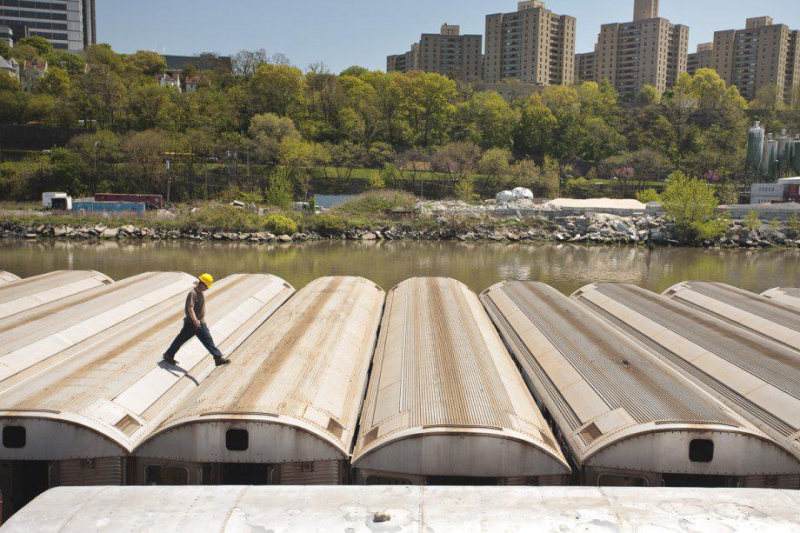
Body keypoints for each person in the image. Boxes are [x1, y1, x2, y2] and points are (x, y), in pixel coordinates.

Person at [163, 274, 230, 367]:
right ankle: (168, 355)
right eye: (206, 286)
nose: (207, 288)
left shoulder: (200, 293)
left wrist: (199, 322)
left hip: (200, 323)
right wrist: (195, 321)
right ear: (201, 283)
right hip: (191, 324)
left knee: (208, 340)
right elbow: (190, 308)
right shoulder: (193, 293)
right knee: (180, 340)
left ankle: (218, 358)